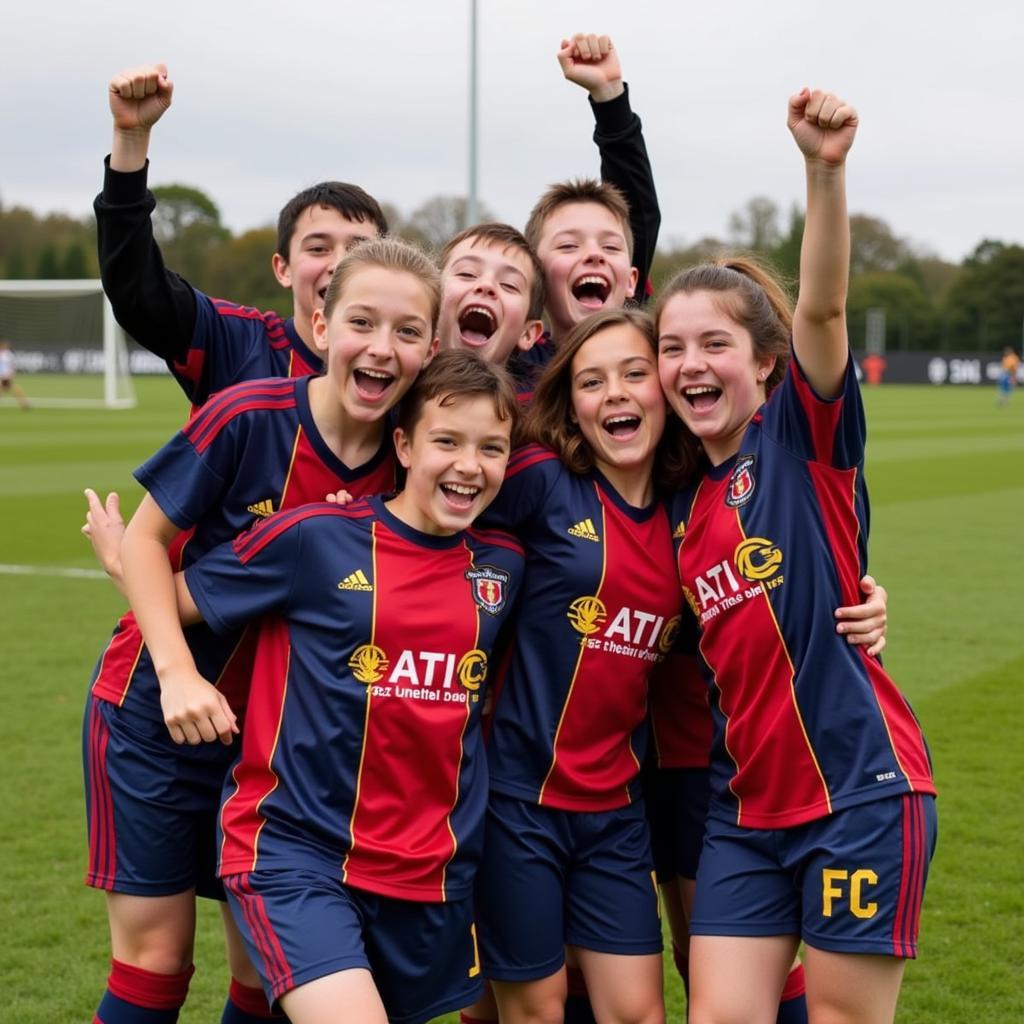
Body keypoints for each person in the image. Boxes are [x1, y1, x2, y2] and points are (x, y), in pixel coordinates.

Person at [82, 238, 439, 1024]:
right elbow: (143, 542)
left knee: (264, 971)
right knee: (158, 959)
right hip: (156, 716)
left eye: (408, 331)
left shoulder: (415, 460)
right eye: (362, 322)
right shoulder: (248, 414)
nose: (382, 347)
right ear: (319, 321)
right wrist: (177, 674)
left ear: (433, 347)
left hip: (281, 746)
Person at [655, 90, 936, 1024]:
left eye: (715, 345)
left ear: (767, 362)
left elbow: (823, 307)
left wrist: (824, 170)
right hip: (744, 813)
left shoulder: (803, 443)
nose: (691, 364)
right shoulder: (688, 506)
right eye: (672, 348)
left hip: (856, 792)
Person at [148, 350, 524, 1024]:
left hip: (428, 873)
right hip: (297, 854)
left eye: (491, 448)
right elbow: (173, 598)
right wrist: (127, 553)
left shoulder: (505, 566)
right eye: (448, 441)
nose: (470, 464)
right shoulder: (315, 537)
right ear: (403, 444)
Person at [97, 63, 387, 407]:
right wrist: (130, 140)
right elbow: (138, 291)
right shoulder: (235, 343)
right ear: (283, 268)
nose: (339, 263)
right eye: (319, 248)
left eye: (358, 249)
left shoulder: (410, 374)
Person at [0, 339, 30, 409]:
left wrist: (12, 373)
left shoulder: (7, 354)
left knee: (13, 388)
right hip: (2, 375)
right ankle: (25, 403)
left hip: (5, 375)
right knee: (12, 388)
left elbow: (12, 365)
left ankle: (24, 403)